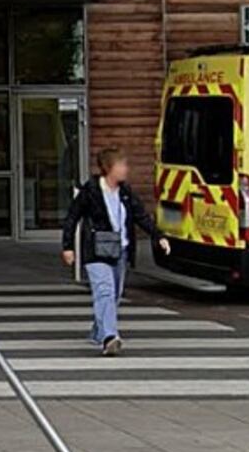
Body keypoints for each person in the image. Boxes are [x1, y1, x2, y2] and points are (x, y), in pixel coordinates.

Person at [61, 147, 171, 356]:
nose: (125, 169)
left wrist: (159, 235)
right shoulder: (91, 191)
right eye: (121, 165)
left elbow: (141, 216)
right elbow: (72, 217)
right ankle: (110, 337)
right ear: (108, 168)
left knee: (114, 295)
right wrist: (68, 247)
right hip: (96, 250)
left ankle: (98, 331)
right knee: (104, 291)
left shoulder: (125, 192)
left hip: (120, 249)